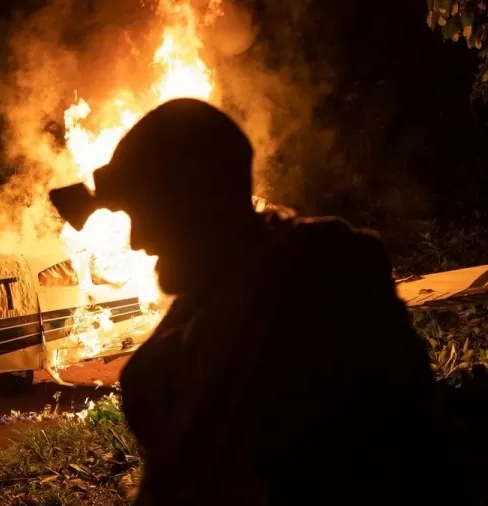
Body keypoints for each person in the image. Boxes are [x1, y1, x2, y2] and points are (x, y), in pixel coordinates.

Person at [49, 99, 457, 505]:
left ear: (197, 200)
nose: (137, 242)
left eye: (144, 214)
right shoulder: (219, 295)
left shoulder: (319, 283)